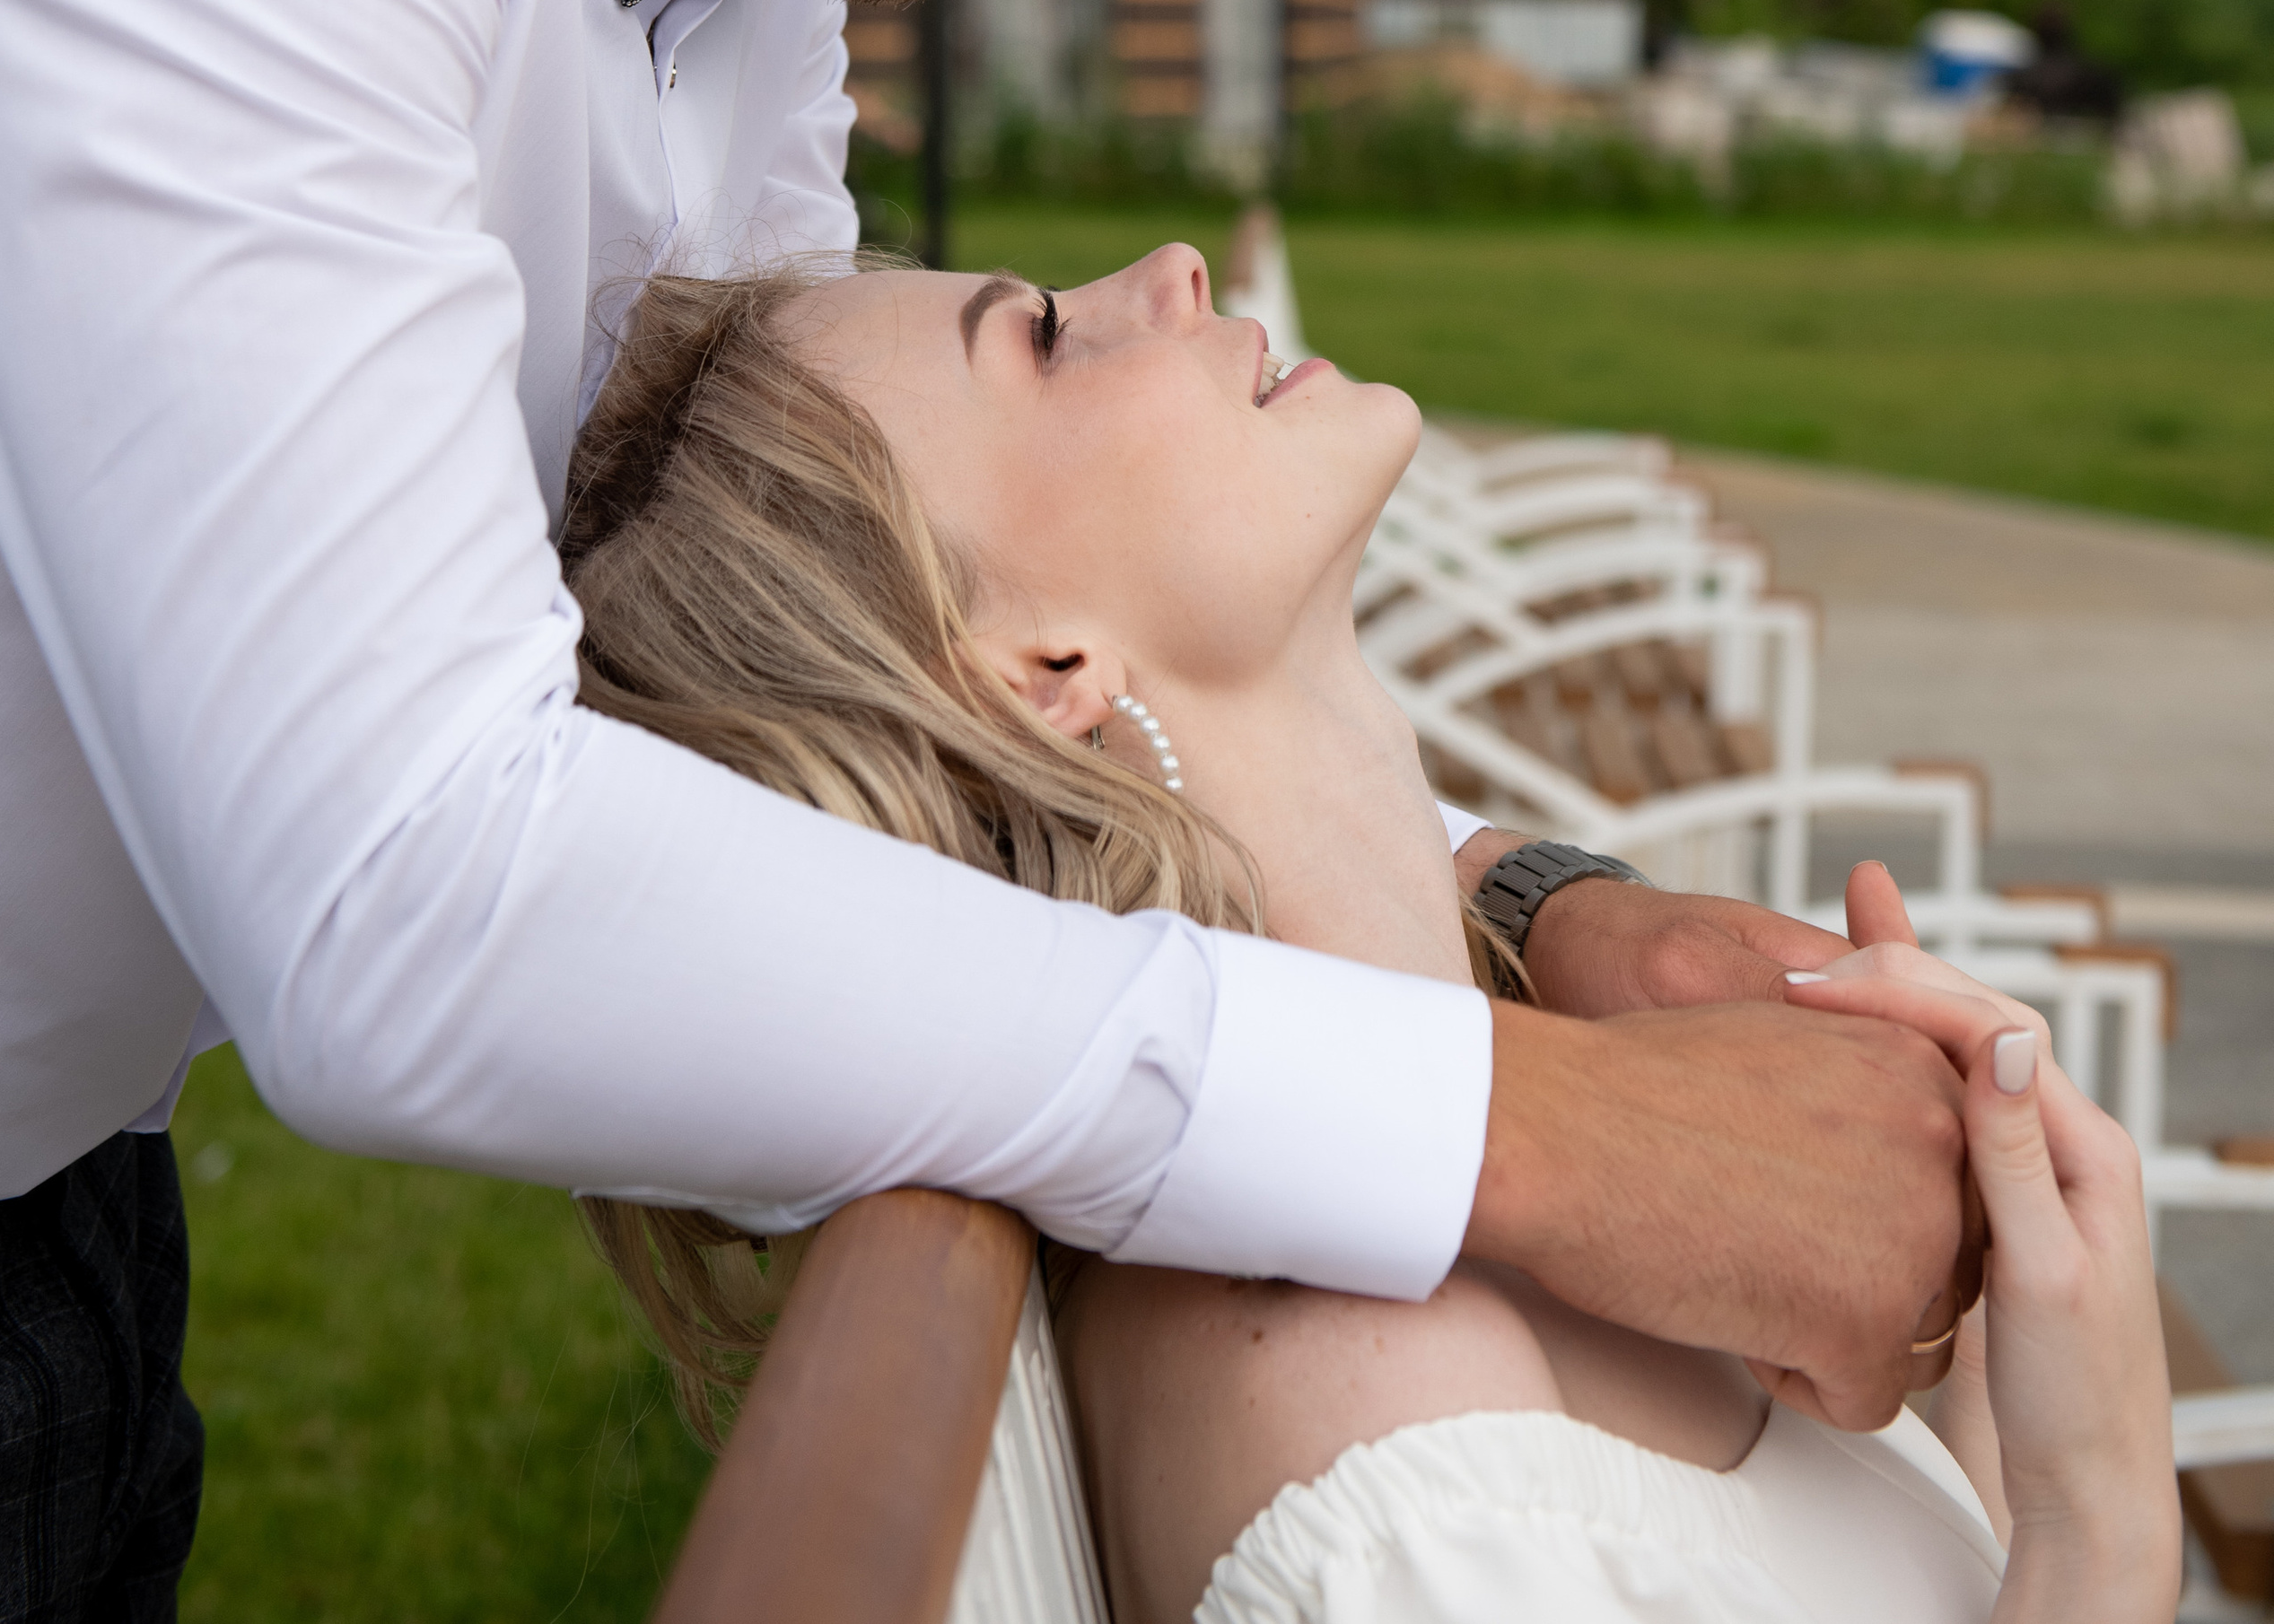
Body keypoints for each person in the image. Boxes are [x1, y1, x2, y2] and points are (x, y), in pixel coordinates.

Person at [0, 0, 1969, 1617]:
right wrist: (1533, 1132)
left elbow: (831, 648)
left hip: (64, 1205)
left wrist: (1517, 905)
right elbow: (403, 895)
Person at [561, 241, 2182, 1624]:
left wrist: (1989, 1373)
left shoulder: (1566, 1196)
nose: (1168, 270)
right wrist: (2103, 1516)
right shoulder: (1373, 1444)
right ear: (1041, 670)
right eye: (1045, 337)